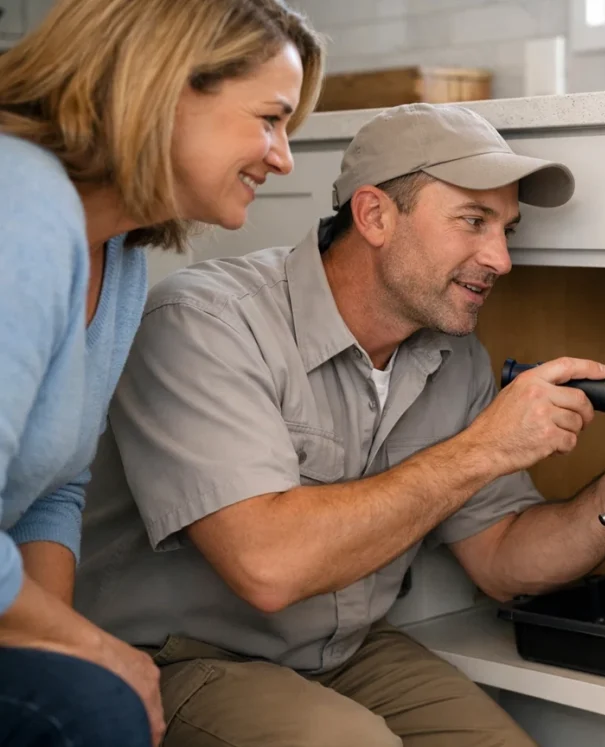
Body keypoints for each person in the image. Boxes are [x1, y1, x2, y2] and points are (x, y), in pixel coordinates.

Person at [75, 103, 605, 747]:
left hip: (342, 649)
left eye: (506, 230)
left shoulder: (452, 360)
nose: (502, 259)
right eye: (473, 221)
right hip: (177, 655)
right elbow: (268, 567)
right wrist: (482, 448)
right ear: (375, 215)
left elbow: (502, 563)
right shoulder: (206, 324)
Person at [0, 1, 324, 745]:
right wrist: (95, 652)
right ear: (167, 89)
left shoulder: (121, 259)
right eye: (271, 119)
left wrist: (68, 647)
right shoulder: (19, 204)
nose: (283, 159)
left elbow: (55, 492)